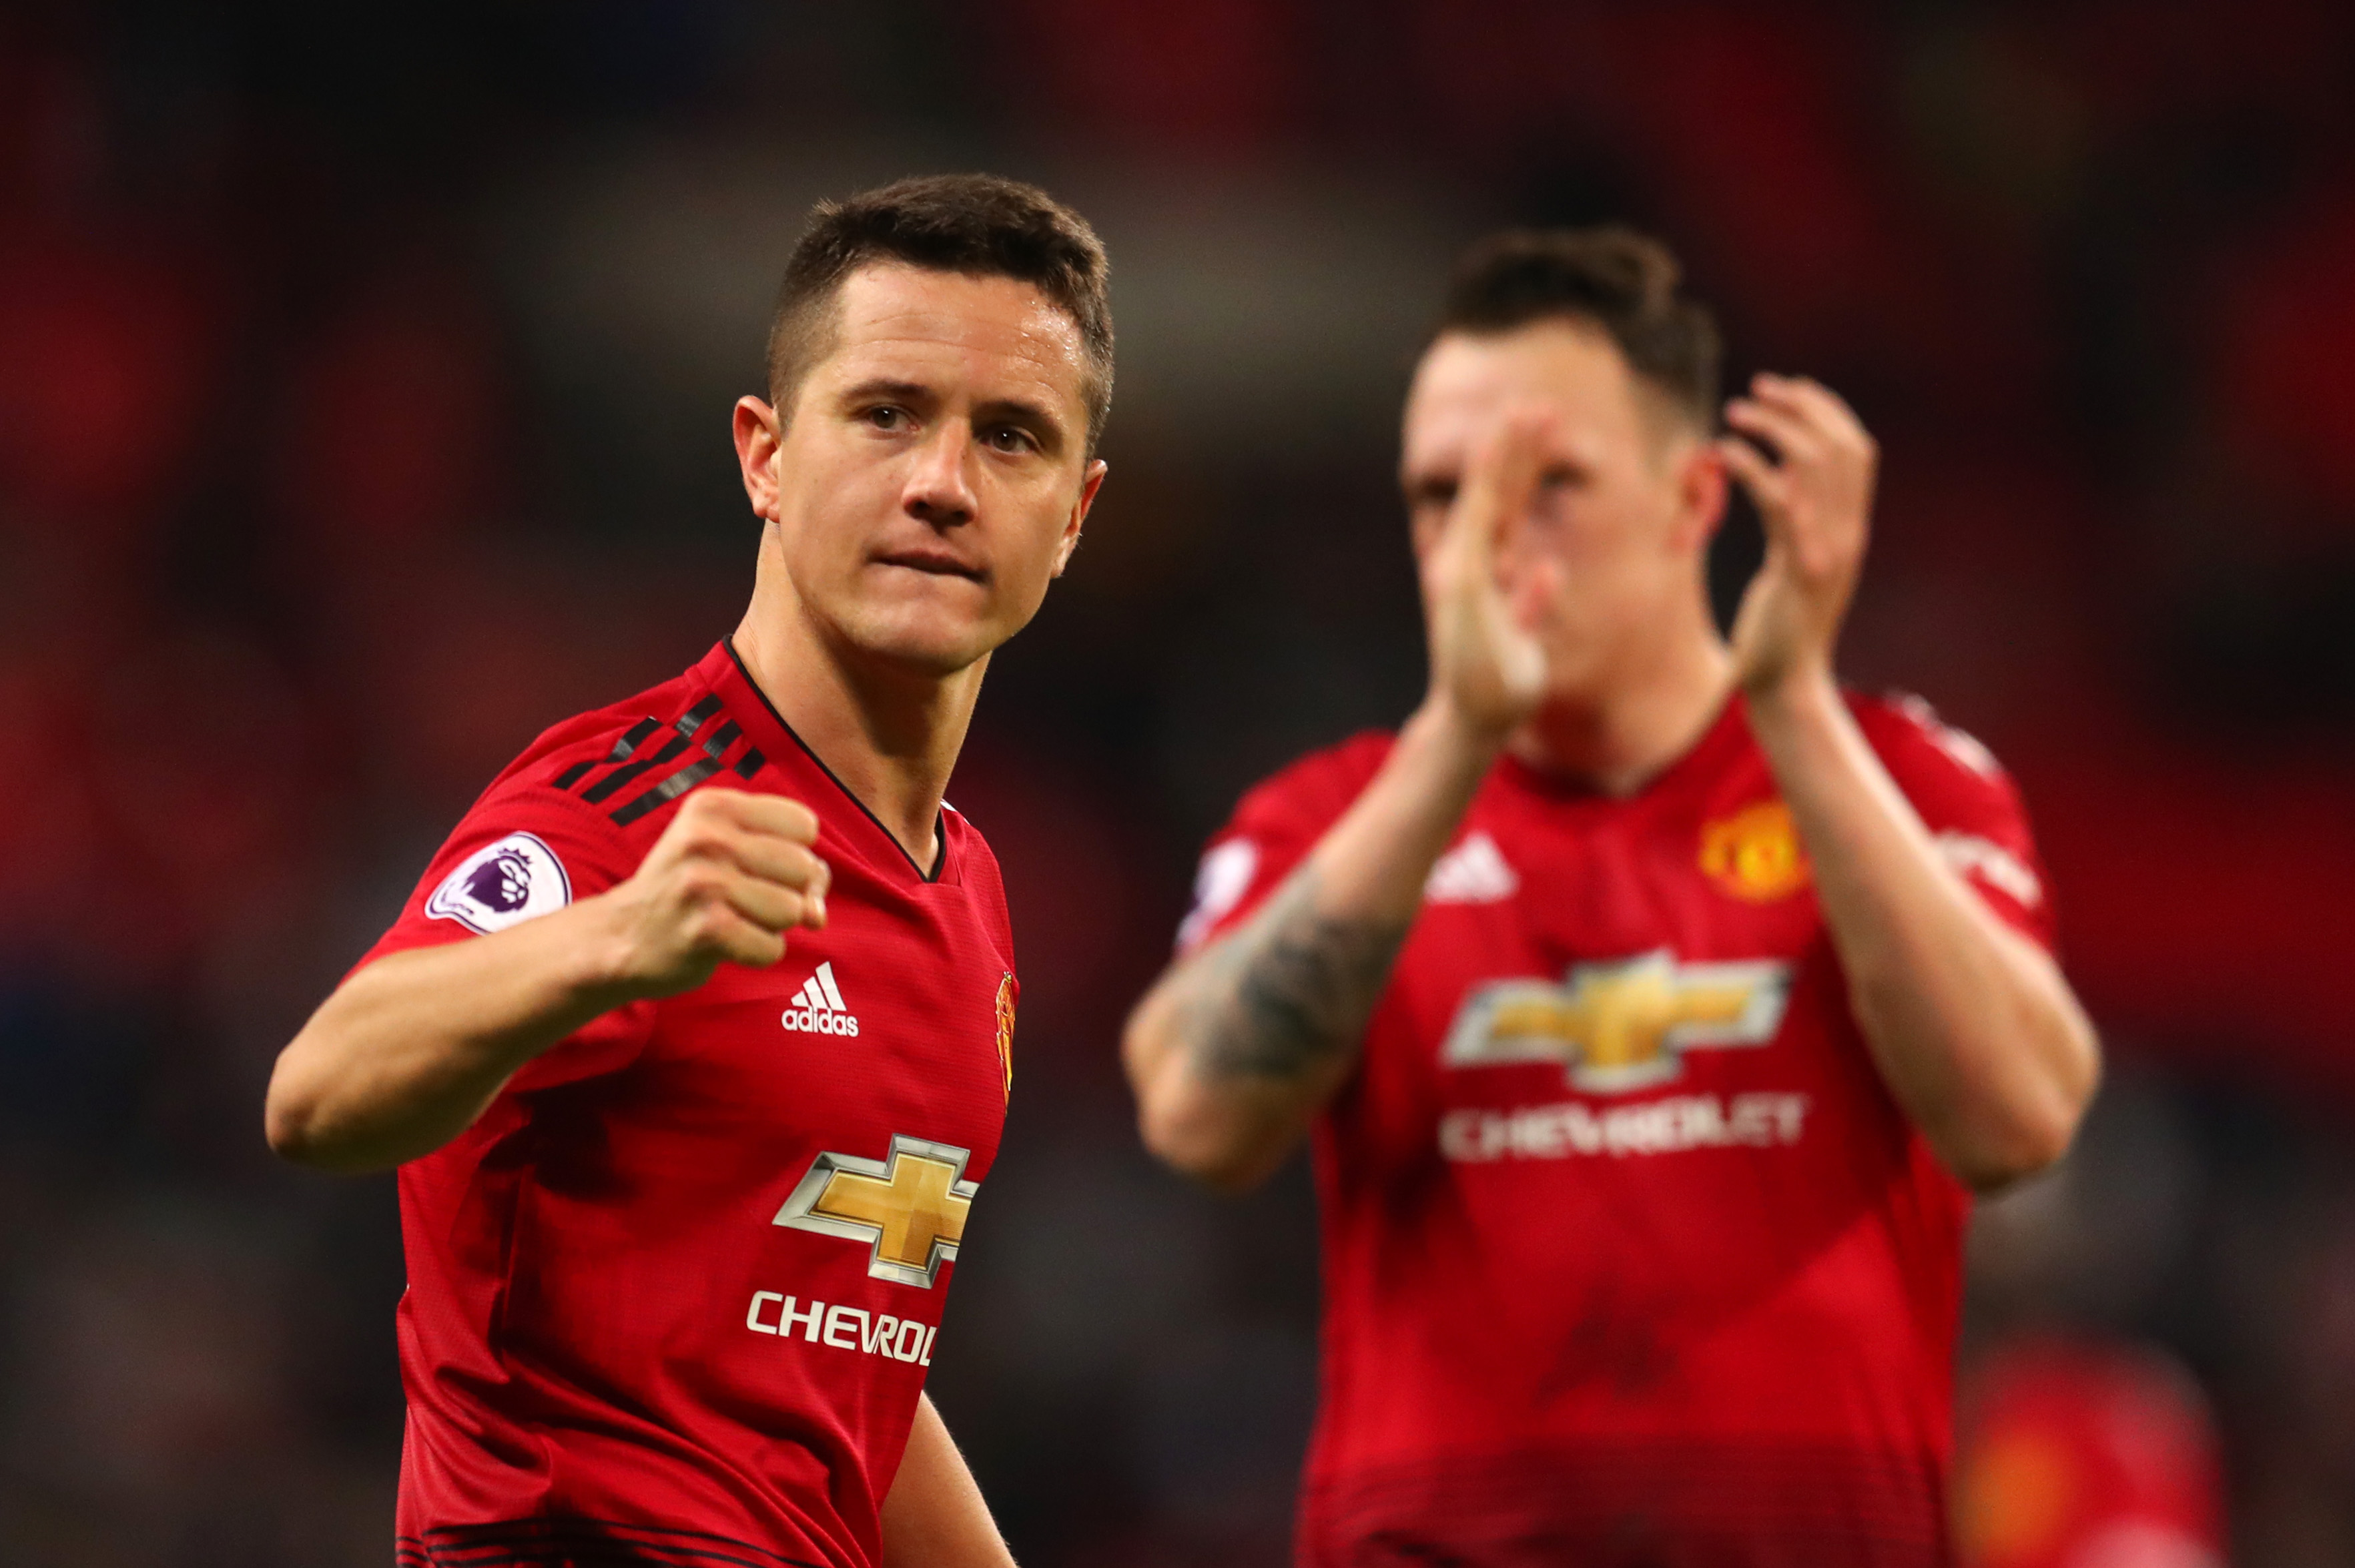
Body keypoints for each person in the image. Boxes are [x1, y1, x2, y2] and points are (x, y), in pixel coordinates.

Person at [1122, 227, 2100, 1565]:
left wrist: (1795, 710)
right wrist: (1457, 737)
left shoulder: (1902, 782)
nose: (1481, 541)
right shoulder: (1329, 817)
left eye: (1548, 483)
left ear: (1696, 502)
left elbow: (2019, 1118)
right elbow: (1194, 1112)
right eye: (1437, 495)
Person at [265, 173, 1113, 1568]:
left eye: (1009, 437)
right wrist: (621, 939)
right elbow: (320, 1094)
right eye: (886, 412)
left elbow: (848, 1378)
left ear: (1072, 513)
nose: (942, 484)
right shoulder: (628, 812)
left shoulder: (968, 888)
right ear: (765, 455)